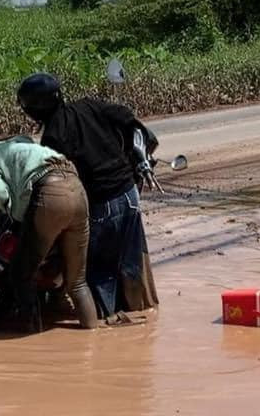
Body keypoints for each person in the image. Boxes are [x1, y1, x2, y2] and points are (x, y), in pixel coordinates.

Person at [16, 75, 158, 320]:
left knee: (99, 272)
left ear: (33, 110)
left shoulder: (52, 137)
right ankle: (144, 314)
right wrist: (137, 156)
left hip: (100, 203)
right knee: (133, 262)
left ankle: (108, 326)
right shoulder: (89, 105)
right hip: (129, 193)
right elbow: (130, 121)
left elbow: (62, 184)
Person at [0, 123, 97, 333]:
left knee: (21, 275)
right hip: (76, 189)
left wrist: (7, 210)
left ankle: (31, 338)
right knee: (78, 283)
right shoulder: (21, 144)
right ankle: (92, 337)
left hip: (48, 195)